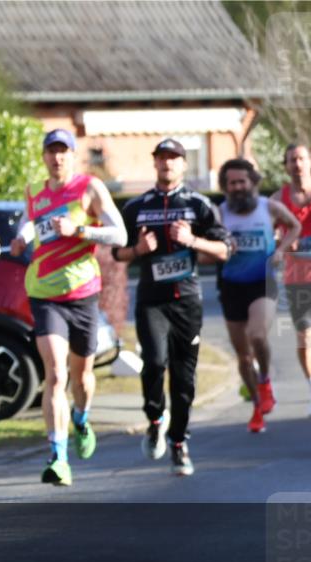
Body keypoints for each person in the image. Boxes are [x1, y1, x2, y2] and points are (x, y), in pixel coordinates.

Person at [10, 129, 127, 486]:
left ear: (72, 155)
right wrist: (21, 239)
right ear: (44, 156)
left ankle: (81, 417)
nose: (57, 157)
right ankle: (58, 457)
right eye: (51, 151)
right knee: (56, 375)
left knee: (82, 378)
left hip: (82, 295)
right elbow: (31, 223)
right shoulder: (35, 193)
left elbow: (119, 235)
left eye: (63, 151)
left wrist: (79, 230)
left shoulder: (90, 188)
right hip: (44, 293)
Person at [114, 138, 231, 476]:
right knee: (153, 362)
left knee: (184, 379)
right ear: (155, 164)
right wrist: (137, 249)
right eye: (162, 158)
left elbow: (225, 249)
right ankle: (154, 419)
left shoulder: (199, 205)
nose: (167, 164)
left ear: (183, 164)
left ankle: (179, 442)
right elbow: (116, 254)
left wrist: (192, 240)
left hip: (187, 303)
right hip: (152, 301)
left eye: (174, 158)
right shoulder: (136, 207)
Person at [215, 158, 300, 432]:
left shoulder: (269, 207)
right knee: (242, 357)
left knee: (258, 335)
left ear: (252, 182)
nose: (238, 187)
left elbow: (295, 226)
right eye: (232, 183)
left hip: (261, 283)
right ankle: (256, 405)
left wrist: (280, 250)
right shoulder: (220, 213)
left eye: (243, 181)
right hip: (230, 285)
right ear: (226, 187)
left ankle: (265, 380)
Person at [272, 143, 311, 417]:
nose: (297, 164)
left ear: (310, 162)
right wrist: (284, 243)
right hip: (295, 277)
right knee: (303, 335)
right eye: (291, 160)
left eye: (301, 158)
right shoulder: (278, 198)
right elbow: (271, 237)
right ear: (285, 165)